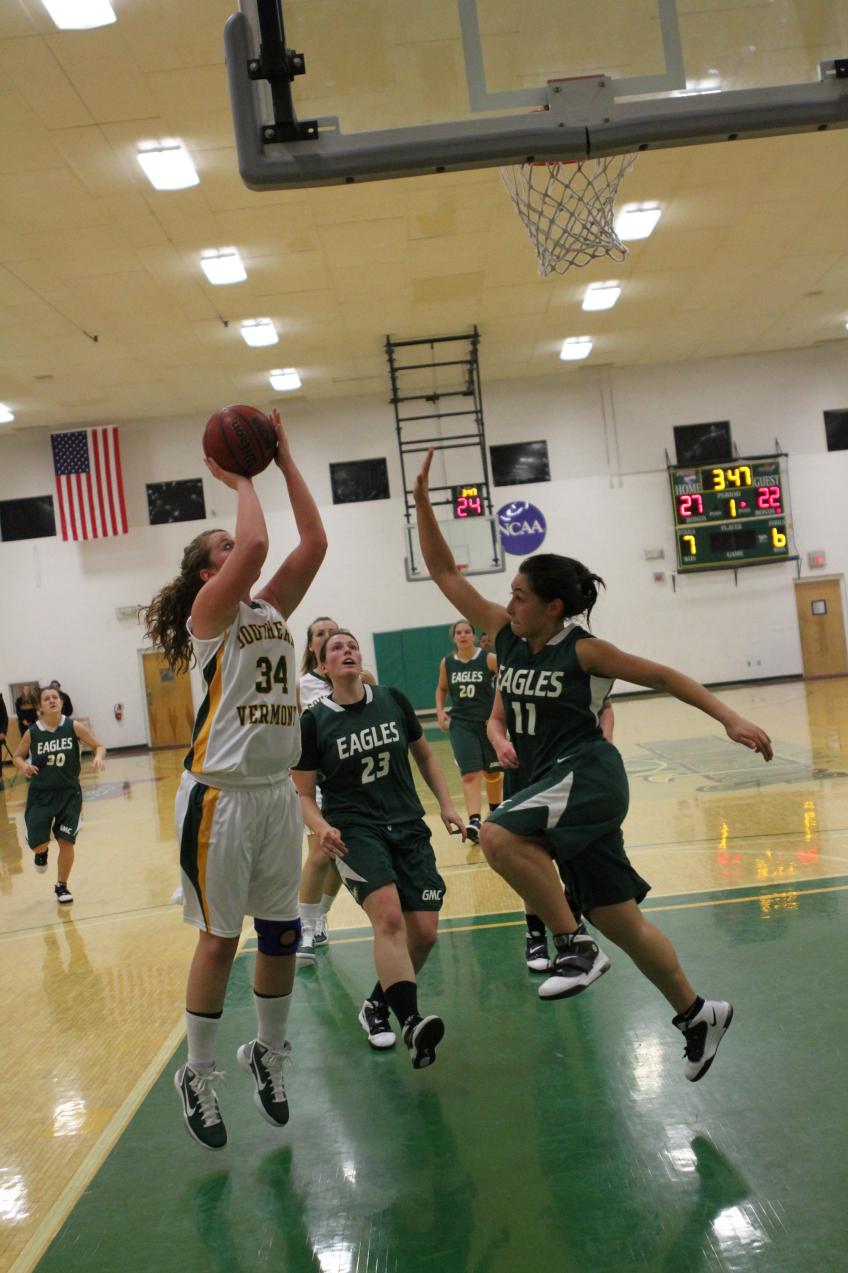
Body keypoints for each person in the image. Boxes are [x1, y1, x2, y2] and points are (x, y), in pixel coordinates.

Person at [414, 448, 773, 1082]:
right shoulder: (503, 636)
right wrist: (422, 504)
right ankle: (697, 1013)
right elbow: (443, 571)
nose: (511, 602)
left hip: (588, 775)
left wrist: (729, 718)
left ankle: (572, 945)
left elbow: (661, 674)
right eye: (512, 595)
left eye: (522, 595)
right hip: (552, 784)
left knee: (495, 832)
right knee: (621, 919)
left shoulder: (583, 651)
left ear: (554, 606)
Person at [142, 408, 326, 1151]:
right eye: (221, 546)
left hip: (275, 792)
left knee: (280, 932)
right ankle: (198, 1070)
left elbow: (312, 541)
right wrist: (241, 474)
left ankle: (268, 1054)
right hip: (217, 795)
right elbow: (256, 540)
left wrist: (284, 460)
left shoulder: (270, 608)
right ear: (205, 572)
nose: (238, 545)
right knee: (220, 941)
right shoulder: (209, 616)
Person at [292, 629, 465, 1068]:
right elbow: (302, 795)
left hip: (407, 824)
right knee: (388, 918)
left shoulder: (392, 699)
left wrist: (446, 805)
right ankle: (410, 1022)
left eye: (351, 646)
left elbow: (425, 755)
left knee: (422, 932)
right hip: (356, 830)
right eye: (336, 648)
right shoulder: (313, 721)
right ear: (323, 666)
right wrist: (321, 826)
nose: (347, 651)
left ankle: (375, 1006)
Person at [295, 616, 376, 961]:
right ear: (313, 647)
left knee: (337, 856)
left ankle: (319, 916)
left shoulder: (363, 678)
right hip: (317, 781)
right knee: (319, 854)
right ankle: (304, 927)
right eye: (321, 635)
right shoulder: (299, 685)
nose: (329, 638)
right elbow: (292, 735)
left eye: (334, 633)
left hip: (354, 780)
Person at [12, 684, 105, 903]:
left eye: (56, 697)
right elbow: (17, 756)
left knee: (66, 841)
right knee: (38, 843)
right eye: (47, 698)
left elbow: (98, 745)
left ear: (61, 703)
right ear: (40, 707)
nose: (53, 700)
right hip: (41, 795)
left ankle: (62, 886)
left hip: (69, 794)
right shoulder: (33, 732)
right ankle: (41, 852)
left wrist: (98, 757)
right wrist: (23, 766)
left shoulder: (73, 727)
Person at [435, 620, 503, 845]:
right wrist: (440, 711)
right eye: (458, 633)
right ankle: (474, 820)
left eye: (467, 632)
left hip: (487, 722)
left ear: (473, 636)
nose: (463, 636)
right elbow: (442, 688)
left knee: (492, 773)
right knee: (470, 773)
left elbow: (507, 681)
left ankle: (495, 813)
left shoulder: (489, 659)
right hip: (462, 724)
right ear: (454, 637)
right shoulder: (447, 663)